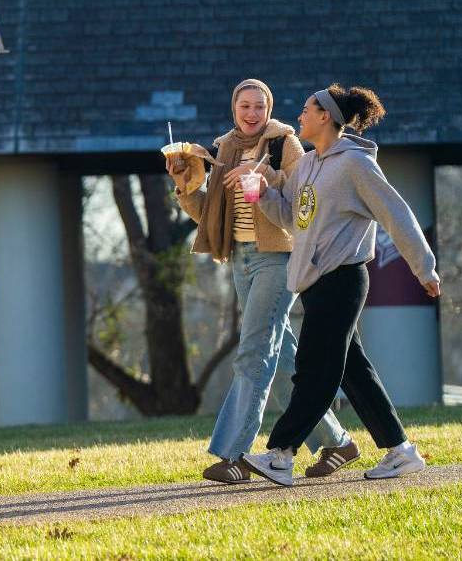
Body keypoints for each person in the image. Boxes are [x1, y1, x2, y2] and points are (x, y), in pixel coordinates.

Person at [242, 84, 440, 486]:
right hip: (315, 282)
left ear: (325, 117)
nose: (300, 115)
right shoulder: (308, 166)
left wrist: (424, 267)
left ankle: (281, 454)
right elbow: (293, 219)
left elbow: (395, 214)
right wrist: (263, 195)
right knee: (353, 370)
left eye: (306, 109)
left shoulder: (355, 165)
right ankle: (400, 451)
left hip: (344, 277)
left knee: (315, 368)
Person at [168, 79, 356, 485]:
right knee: (283, 359)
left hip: (277, 259)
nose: (252, 113)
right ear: (234, 108)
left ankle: (234, 454)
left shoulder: (285, 145)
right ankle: (337, 441)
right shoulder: (224, 149)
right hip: (239, 260)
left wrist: (264, 177)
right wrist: (186, 184)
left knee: (253, 352)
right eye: (245, 106)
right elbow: (210, 215)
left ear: (268, 110)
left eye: (259, 106)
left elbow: (302, 202)